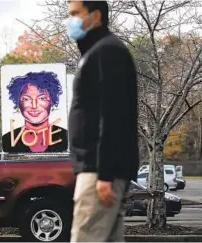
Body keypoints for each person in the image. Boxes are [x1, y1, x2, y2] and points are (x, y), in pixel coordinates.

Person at [65, 1, 139, 242]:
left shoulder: (106, 52)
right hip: (100, 170)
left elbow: (113, 115)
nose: (70, 21)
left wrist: (104, 174)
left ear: (95, 16)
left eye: (76, 14)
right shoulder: (98, 51)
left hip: (99, 172)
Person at [2, 71, 68, 153]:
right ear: (18, 103)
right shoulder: (7, 139)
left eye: (42, 98)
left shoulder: (66, 137)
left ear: (52, 101)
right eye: (26, 99)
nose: (34, 106)